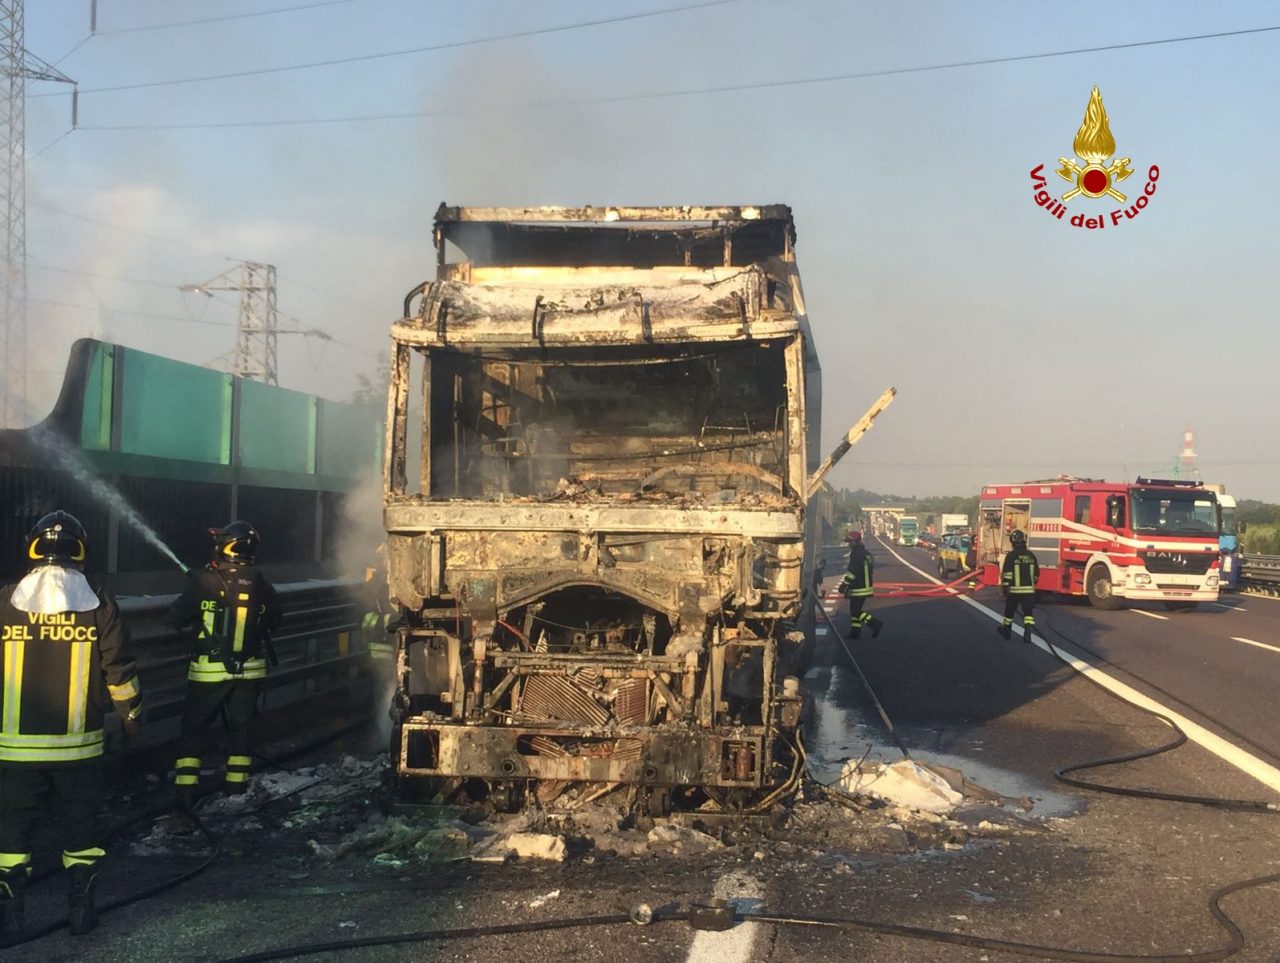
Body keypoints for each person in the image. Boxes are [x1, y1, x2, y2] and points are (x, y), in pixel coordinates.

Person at [0, 511, 142, 941]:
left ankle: (9, 918)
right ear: (81, 549)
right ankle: (82, 912)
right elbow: (119, 672)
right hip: (79, 750)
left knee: (10, 834)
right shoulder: (99, 604)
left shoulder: (4, 602)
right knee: (82, 831)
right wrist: (132, 720)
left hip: (13, 752)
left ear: (32, 548)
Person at [169, 521, 280, 802]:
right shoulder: (261, 584)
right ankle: (236, 791)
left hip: (208, 672)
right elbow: (275, 621)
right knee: (241, 732)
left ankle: (185, 792)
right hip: (251, 671)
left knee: (194, 730)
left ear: (226, 547)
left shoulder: (203, 582)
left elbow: (174, 618)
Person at [838, 530, 883, 639]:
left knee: (855, 610)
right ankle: (855, 632)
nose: (849, 544)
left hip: (859, 587)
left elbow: (852, 571)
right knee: (854, 610)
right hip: (864, 586)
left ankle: (874, 623)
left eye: (850, 542)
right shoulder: (864, 552)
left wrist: (844, 584)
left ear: (855, 542)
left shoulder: (857, 554)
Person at [999, 529, 1039, 642]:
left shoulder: (1011, 556)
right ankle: (1027, 633)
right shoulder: (1031, 555)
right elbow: (1036, 573)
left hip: (1014, 591)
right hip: (1029, 591)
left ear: (1013, 541)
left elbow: (1007, 573)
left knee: (1009, 612)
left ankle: (1006, 632)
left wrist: (1005, 587)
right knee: (1028, 613)